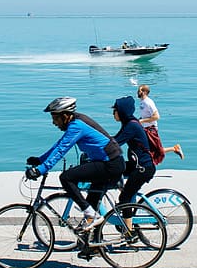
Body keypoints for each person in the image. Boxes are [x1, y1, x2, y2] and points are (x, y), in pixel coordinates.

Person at [25, 97, 125, 229]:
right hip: (109, 163)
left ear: (65, 116)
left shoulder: (77, 126)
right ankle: (92, 246)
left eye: (55, 118)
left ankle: (91, 215)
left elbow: (61, 150)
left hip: (110, 165)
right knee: (91, 205)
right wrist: (40, 160)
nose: (54, 123)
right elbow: (59, 145)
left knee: (66, 177)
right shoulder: (76, 122)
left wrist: (40, 170)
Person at [112, 95, 155, 230]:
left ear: (122, 112)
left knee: (124, 198)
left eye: (115, 110)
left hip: (143, 167)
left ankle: (129, 232)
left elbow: (115, 143)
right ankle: (128, 197)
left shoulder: (131, 126)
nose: (113, 113)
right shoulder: (129, 123)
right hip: (137, 165)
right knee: (116, 170)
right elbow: (114, 140)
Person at [137, 84, 184, 160]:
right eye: (138, 90)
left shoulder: (148, 102)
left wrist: (141, 121)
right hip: (145, 128)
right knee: (148, 149)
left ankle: (175, 148)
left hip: (151, 129)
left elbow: (156, 116)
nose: (138, 92)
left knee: (156, 150)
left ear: (145, 92)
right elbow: (145, 115)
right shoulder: (142, 102)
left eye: (141, 90)